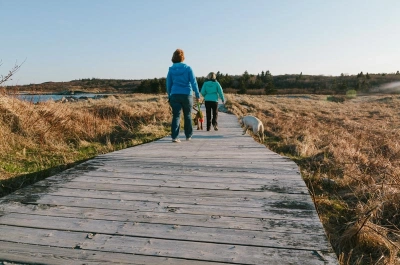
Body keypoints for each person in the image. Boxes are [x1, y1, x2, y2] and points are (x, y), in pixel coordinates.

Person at [166, 49, 201, 142]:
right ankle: (188, 135)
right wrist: (197, 94)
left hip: (175, 94)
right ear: (183, 57)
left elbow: (168, 84)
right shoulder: (188, 68)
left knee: (176, 116)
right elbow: (194, 82)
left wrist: (169, 95)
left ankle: (174, 137)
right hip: (187, 95)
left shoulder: (171, 70)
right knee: (188, 115)